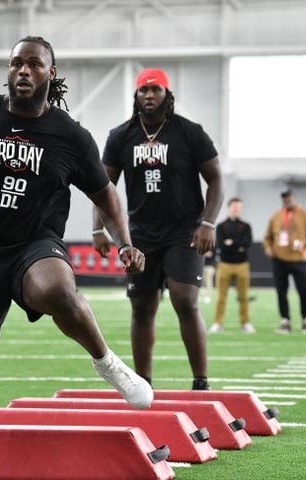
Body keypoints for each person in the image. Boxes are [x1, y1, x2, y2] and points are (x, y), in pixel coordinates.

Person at [0, 36, 152, 480]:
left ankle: (106, 361)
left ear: (50, 74)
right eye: (16, 63)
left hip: (34, 244)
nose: (23, 71)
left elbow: (106, 195)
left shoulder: (70, 135)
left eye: (34, 65)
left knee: (60, 293)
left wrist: (125, 243)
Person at [93, 68, 224, 391]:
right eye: (143, 90)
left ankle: (201, 381)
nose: (149, 95)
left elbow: (216, 178)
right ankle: (143, 383)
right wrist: (98, 229)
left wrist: (208, 223)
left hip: (185, 231)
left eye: (155, 90)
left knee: (185, 300)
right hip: (139, 234)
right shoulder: (121, 136)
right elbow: (103, 187)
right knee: (141, 306)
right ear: (135, 96)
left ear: (167, 95)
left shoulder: (189, 133)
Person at [263, 189, 306, 334]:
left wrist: (304, 243)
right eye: (284, 198)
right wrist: (268, 248)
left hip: (299, 259)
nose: (287, 200)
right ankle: (284, 321)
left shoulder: (305, 215)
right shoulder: (276, 216)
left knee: (304, 290)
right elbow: (267, 236)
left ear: (294, 198)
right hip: (279, 259)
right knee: (281, 291)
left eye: (289, 198)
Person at [209, 197, 255, 333]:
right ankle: (218, 323)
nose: (236, 210)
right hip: (224, 265)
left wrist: (232, 243)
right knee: (221, 297)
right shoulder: (221, 226)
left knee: (243, 297)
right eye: (234, 207)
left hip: (242, 265)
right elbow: (221, 245)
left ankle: (245, 322)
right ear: (229, 208)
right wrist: (237, 245)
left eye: (239, 207)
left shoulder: (246, 226)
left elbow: (247, 244)